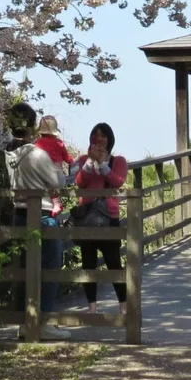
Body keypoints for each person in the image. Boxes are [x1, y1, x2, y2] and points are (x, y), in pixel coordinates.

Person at [5, 102, 70, 338]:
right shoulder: (37, 154)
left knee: (24, 269)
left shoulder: (8, 152)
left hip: (19, 215)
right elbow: (59, 182)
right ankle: (43, 322)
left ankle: (25, 322)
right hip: (42, 216)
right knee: (49, 268)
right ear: (32, 126)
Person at [69, 121, 129, 315]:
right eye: (96, 135)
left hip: (109, 216)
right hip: (86, 216)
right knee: (88, 262)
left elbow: (118, 181)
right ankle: (92, 307)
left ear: (110, 139)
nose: (100, 139)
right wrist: (89, 163)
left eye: (103, 135)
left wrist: (102, 164)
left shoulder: (118, 161)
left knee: (113, 263)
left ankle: (123, 306)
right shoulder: (83, 159)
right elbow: (79, 182)